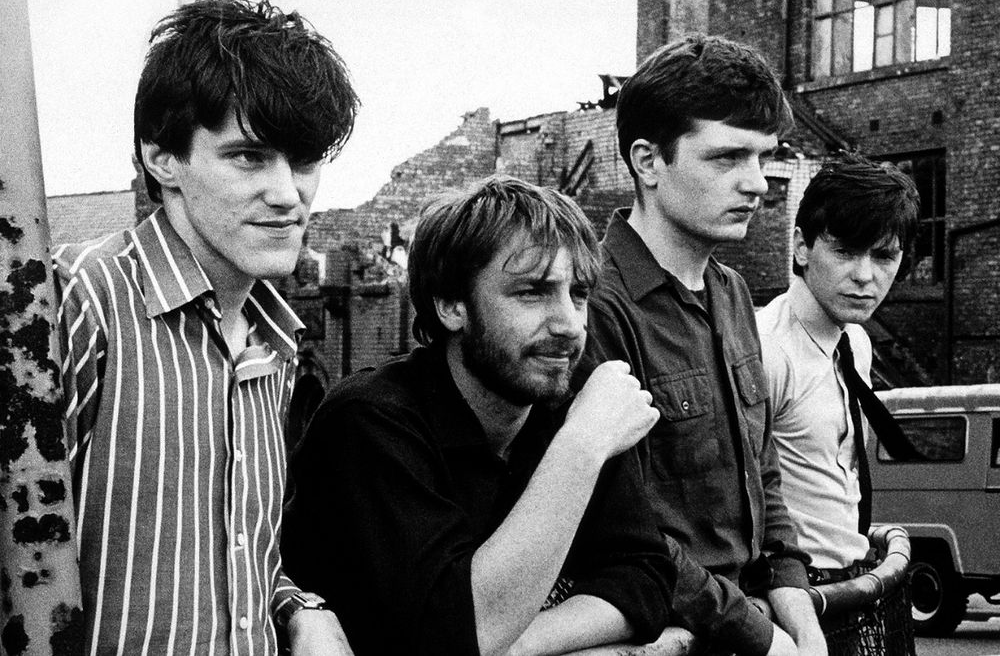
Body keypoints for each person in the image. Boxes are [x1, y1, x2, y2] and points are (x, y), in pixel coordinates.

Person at [282, 176, 757, 655]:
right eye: (532, 292)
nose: (570, 325)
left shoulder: (563, 405)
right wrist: (581, 447)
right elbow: (460, 629)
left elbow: (645, 579)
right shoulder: (370, 422)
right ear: (451, 305)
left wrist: (517, 642)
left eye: (578, 294)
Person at [52, 0, 358, 652]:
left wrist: (300, 606)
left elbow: (234, 559)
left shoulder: (273, 343)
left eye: (303, 162)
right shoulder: (83, 299)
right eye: (250, 157)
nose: (287, 193)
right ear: (162, 158)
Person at [581, 34, 827, 655]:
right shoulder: (595, 308)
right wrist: (763, 637)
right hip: (671, 635)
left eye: (765, 157)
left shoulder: (734, 292)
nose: (758, 184)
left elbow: (763, 476)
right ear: (648, 161)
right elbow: (625, 535)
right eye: (726, 158)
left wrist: (801, 620)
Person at [755, 152, 919, 641]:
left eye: (883, 256)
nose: (865, 275)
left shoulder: (856, 341)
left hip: (856, 589)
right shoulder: (766, 350)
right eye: (846, 251)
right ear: (802, 247)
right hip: (796, 600)